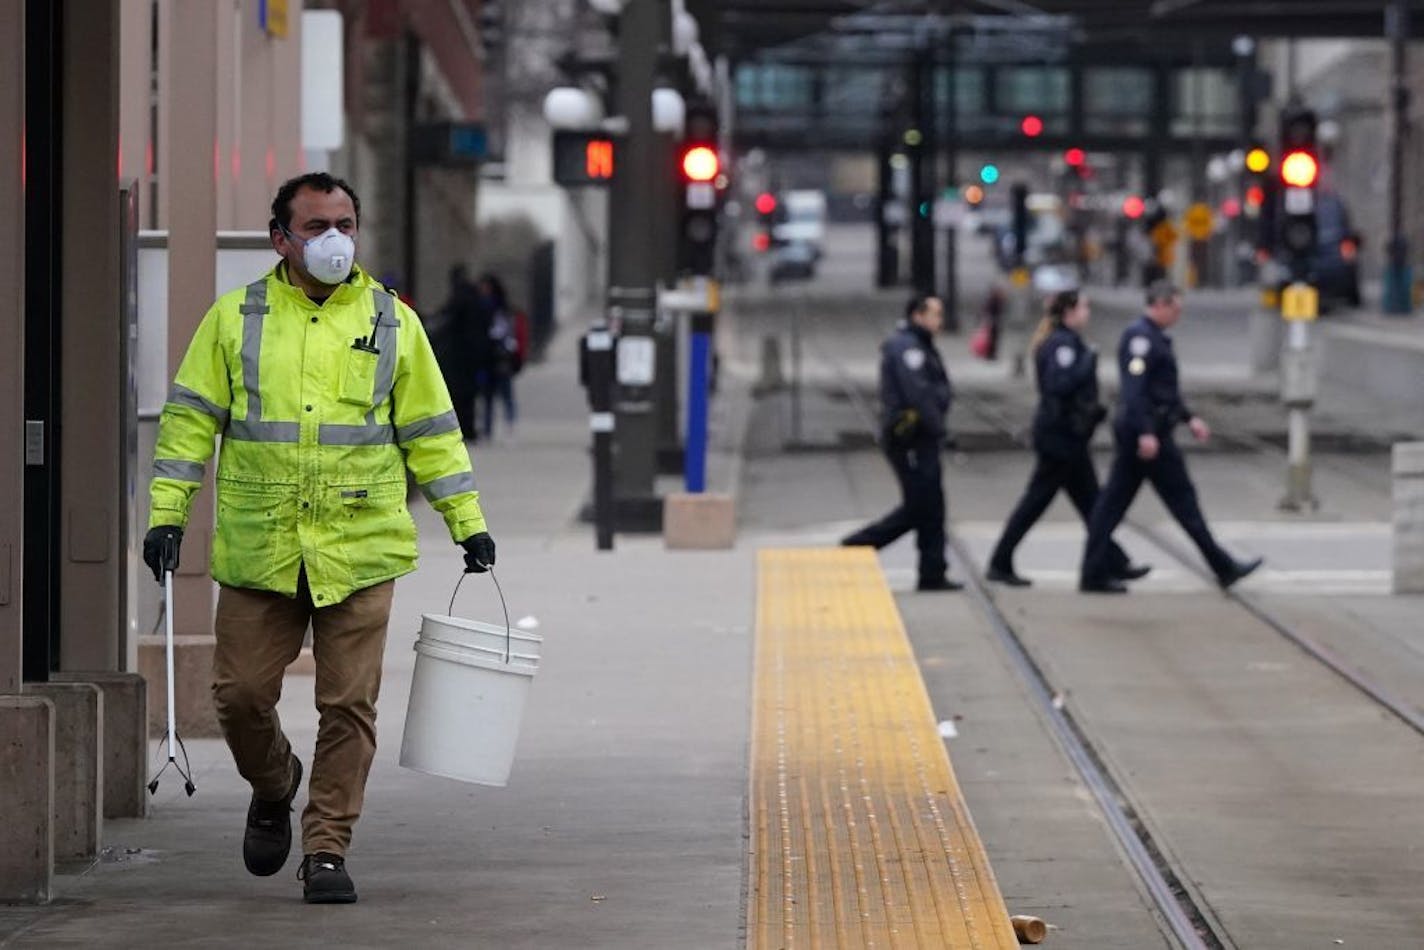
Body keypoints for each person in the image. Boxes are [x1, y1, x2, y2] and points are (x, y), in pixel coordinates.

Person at [142, 172, 498, 904]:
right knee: (239, 697)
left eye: (345, 223)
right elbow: (188, 424)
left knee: (348, 707)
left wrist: (469, 523)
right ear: (281, 239)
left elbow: (432, 432)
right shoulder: (234, 318)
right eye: (316, 226)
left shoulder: (391, 321)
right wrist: (167, 515)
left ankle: (327, 846)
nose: (334, 239)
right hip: (261, 548)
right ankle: (274, 784)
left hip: (360, 546)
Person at [1079, 281, 1262, 593]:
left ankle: (1094, 571)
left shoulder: (1154, 338)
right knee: (1177, 504)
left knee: (1115, 505)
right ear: (1160, 304)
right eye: (1175, 308)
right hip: (1146, 438)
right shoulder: (1141, 339)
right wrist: (1146, 434)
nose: (1178, 315)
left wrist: (1189, 418)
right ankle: (1222, 566)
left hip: (1149, 433)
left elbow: (1163, 392)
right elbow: (1134, 393)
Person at [986, 290, 1150, 587]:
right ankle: (1001, 561)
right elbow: (1057, 385)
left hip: (1068, 438)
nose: (1088, 313)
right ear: (1069, 313)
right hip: (1060, 439)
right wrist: (1087, 362)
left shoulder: (1068, 342)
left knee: (1092, 504)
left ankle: (1113, 561)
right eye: (1084, 307)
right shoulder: (1062, 345)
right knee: (1044, 503)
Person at [842, 294, 962, 591]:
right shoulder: (908, 348)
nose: (940, 321)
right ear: (918, 315)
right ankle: (860, 544)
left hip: (920, 436)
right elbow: (919, 394)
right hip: (910, 437)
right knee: (922, 504)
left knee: (930, 503)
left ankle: (932, 570)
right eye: (935, 314)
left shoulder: (918, 345)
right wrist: (938, 428)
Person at [476, 274, 520, 438]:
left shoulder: (500, 309)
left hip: (500, 356)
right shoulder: (484, 307)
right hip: (489, 356)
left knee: (504, 393)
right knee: (488, 395)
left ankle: (509, 425)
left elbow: (508, 332)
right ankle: (488, 428)